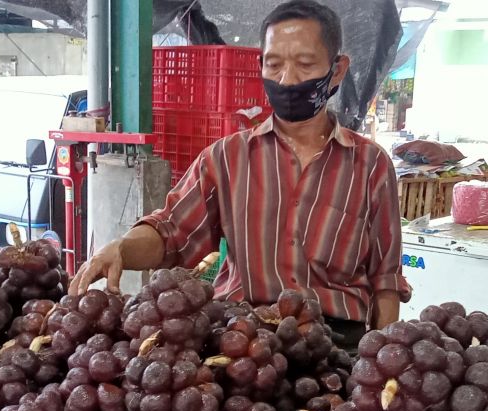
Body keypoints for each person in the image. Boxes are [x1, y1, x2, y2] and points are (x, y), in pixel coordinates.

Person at [69, 0, 410, 350]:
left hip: (335, 342)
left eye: (305, 64)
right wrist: (122, 248)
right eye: (274, 65)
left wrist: (381, 358)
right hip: (243, 340)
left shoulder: (371, 165)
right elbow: (172, 231)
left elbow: (385, 278)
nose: (287, 79)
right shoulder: (226, 158)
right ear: (260, 66)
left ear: (337, 70)